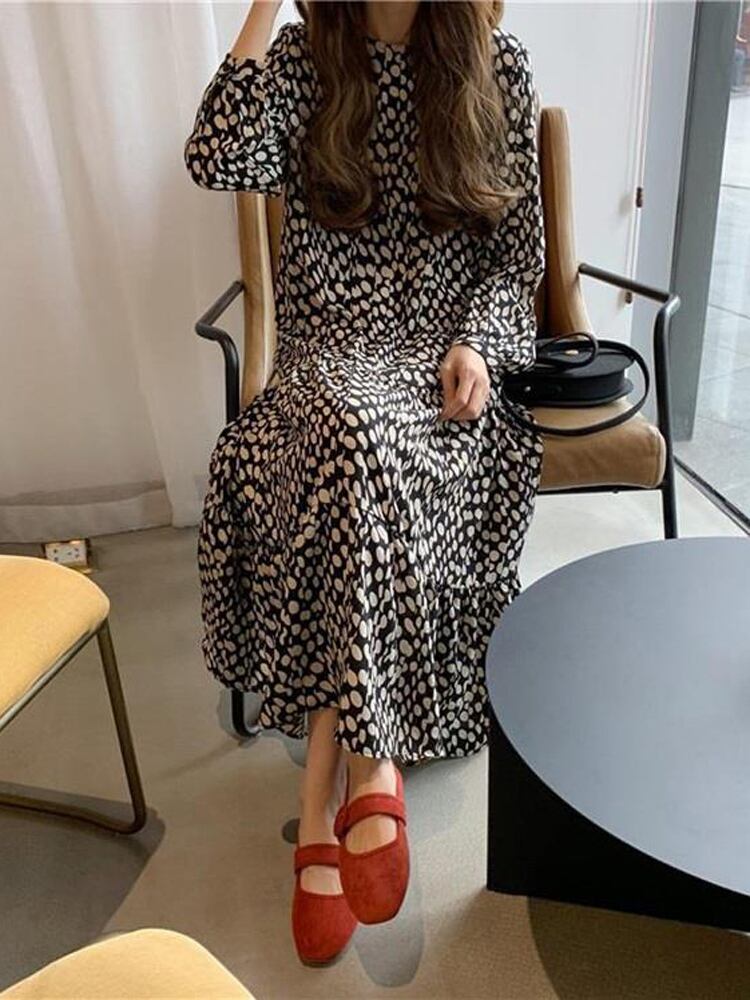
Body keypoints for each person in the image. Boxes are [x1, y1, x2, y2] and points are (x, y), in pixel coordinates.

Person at [184, 0, 545, 965]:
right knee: (349, 435)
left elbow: (516, 262)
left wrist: (477, 343)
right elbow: (214, 155)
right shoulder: (303, 61)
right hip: (323, 361)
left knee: (361, 453)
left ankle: (320, 808)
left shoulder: (496, 66)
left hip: (441, 370)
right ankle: (369, 765)